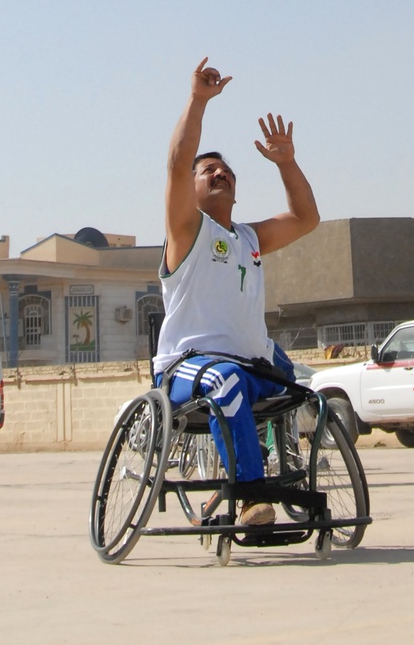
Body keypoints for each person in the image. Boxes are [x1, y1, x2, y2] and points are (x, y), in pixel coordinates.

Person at [153, 56, 320, 526]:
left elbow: (307, 219)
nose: (219, 172)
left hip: (251, 363)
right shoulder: (187, 232)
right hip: (190, 370)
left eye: (226, 170)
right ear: (189, 188)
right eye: (208, 170)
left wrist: (287, 163)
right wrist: (198, 101)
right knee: (224, 382)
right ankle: (249, 497)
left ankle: (290, 477)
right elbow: (175, 162)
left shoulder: (249, 238)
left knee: (306, 385)